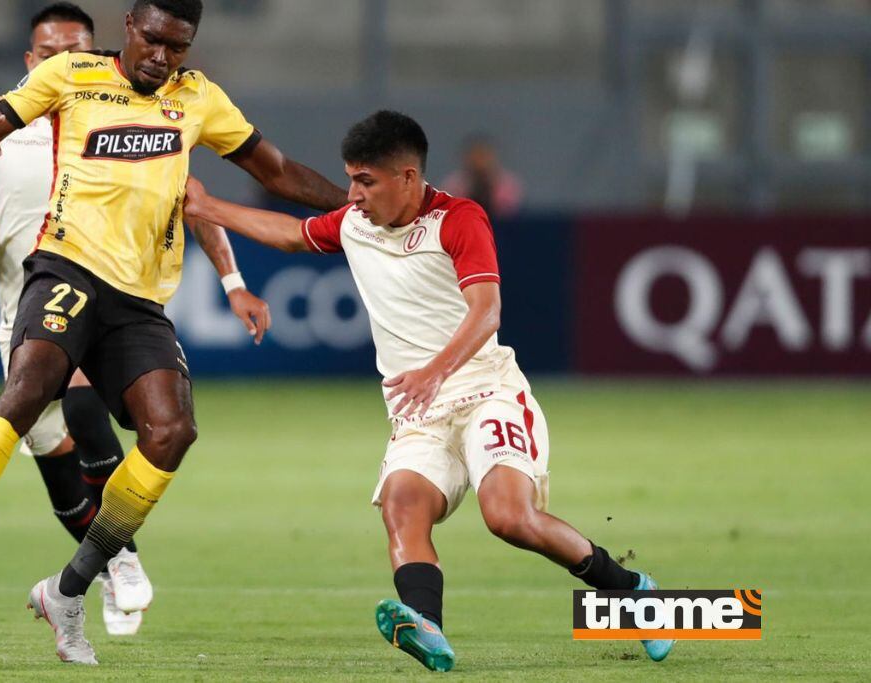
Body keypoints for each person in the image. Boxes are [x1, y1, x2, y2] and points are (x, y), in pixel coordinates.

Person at [0, 0, 347, 664]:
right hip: (65, 270)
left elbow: (274, 171)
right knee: (28, 393)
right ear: (130, 29)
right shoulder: (70, 74)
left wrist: (354, 203)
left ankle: (68, 589)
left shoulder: (199, 100)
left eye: (179, 47)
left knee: (172, 431)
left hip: (137, 300)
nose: (163, 57)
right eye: (155, 40)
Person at [183, 110, 673, 672]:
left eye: (366, 181)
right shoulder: (354, 223)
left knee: (509, 518)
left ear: (409, 178)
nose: (352, 194)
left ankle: (634, 591)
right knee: (402, 505)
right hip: (419, 413)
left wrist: (436, 370)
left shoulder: (459, 220)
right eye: (351, 180)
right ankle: (428, 628)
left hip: (487, 391)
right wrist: (207, 207)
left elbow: (487, 311)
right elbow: (293, 236)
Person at [438, 134, 522, 219]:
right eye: (475, 156)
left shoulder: (507, 186)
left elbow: (511, 215)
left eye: (483, 156)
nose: (479, 161)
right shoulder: (453, 186)